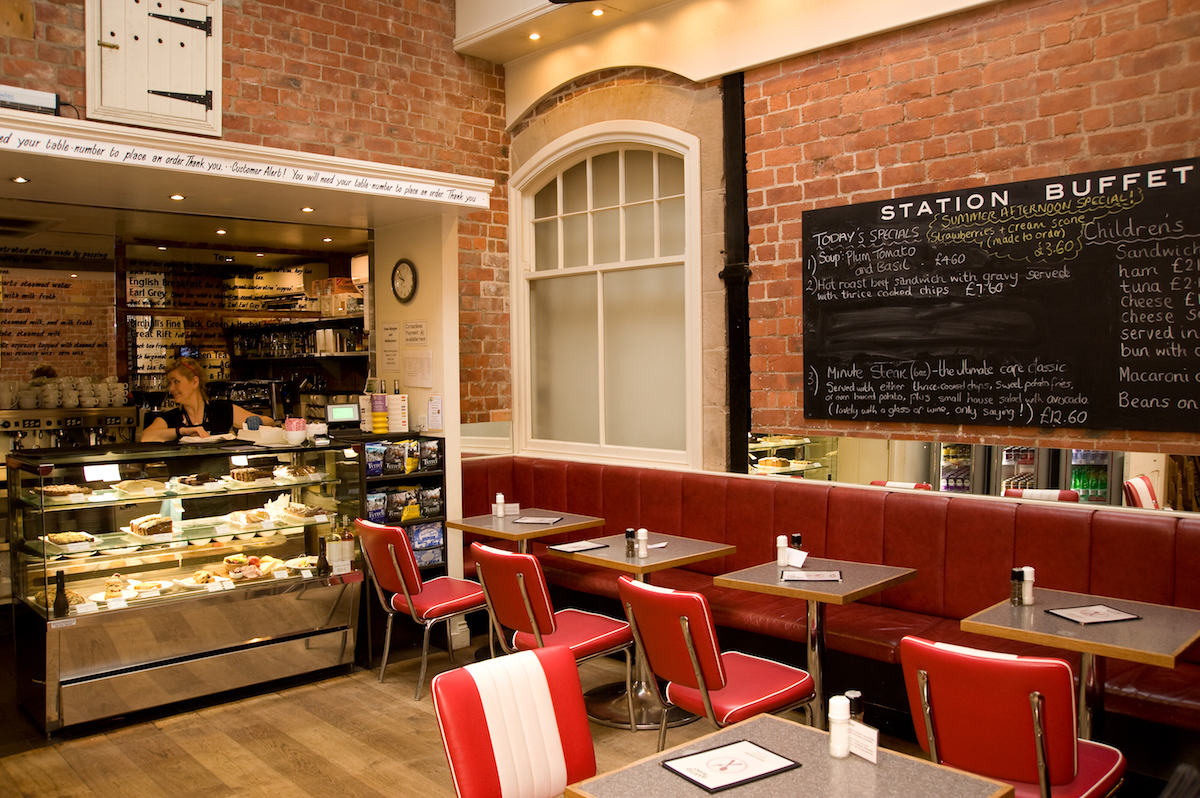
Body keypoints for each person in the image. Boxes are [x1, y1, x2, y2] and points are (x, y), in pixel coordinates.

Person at [141, 357, 274, 442]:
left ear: (194, 382)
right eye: (170, 383)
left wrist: (256, 421)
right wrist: (183, 431)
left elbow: (269, 423)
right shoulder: (171, 418)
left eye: (176, 382)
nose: (171, 388)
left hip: (218, 483)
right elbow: (146, 437)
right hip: (181, 484)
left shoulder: (221, 410)